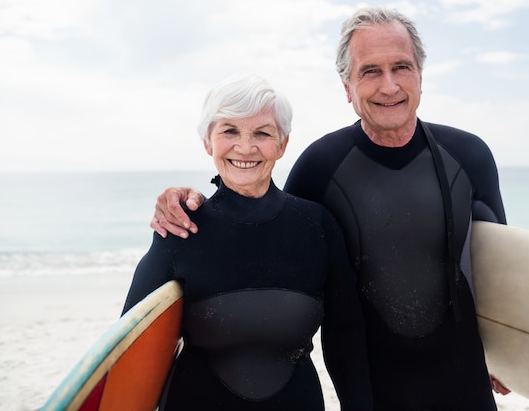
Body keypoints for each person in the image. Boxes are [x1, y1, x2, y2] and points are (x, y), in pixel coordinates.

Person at [151, 7, 511, 410]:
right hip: (373, 390)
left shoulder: (469, 155)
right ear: (347, 86)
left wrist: (512, 353)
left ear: (420, 76)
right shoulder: (319, 166)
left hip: (466, 387)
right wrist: (186, 203)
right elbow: (262, 230)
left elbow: (499, 267)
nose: (389, 85)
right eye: (370, 71)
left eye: (401, 67)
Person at [123, 74, 373, 411]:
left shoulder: (318, 227)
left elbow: (347, 337)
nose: (245, 146)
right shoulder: (181, 228)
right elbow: (132, 344)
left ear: (282, 144)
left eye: (262, 132)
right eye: (229, 131)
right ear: (207, 142)